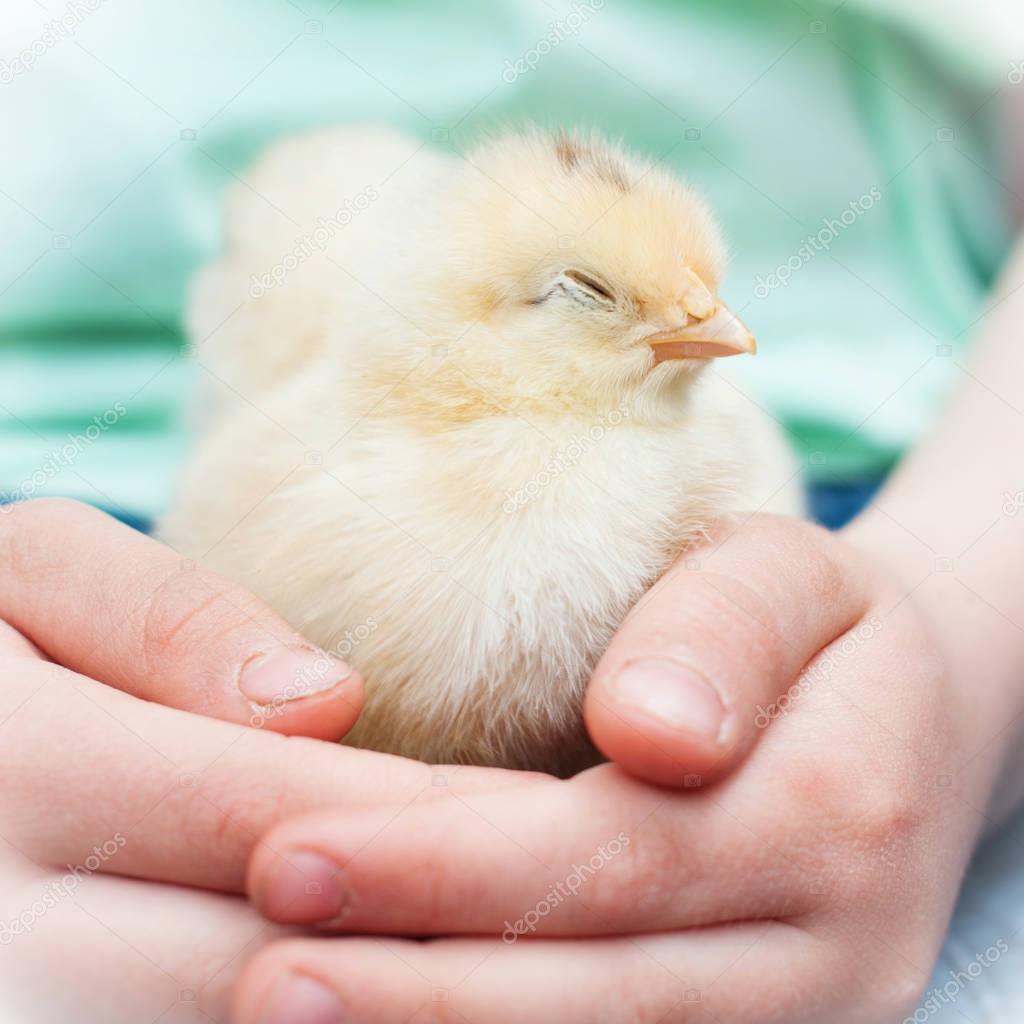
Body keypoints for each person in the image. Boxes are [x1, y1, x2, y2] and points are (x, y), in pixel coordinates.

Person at [2, 1, 1023, 1020]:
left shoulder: (710, 478)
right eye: (589, 293)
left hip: (890, 573)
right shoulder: (302, 463)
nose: (710, 322)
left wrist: (966, 636)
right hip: (65, 601)